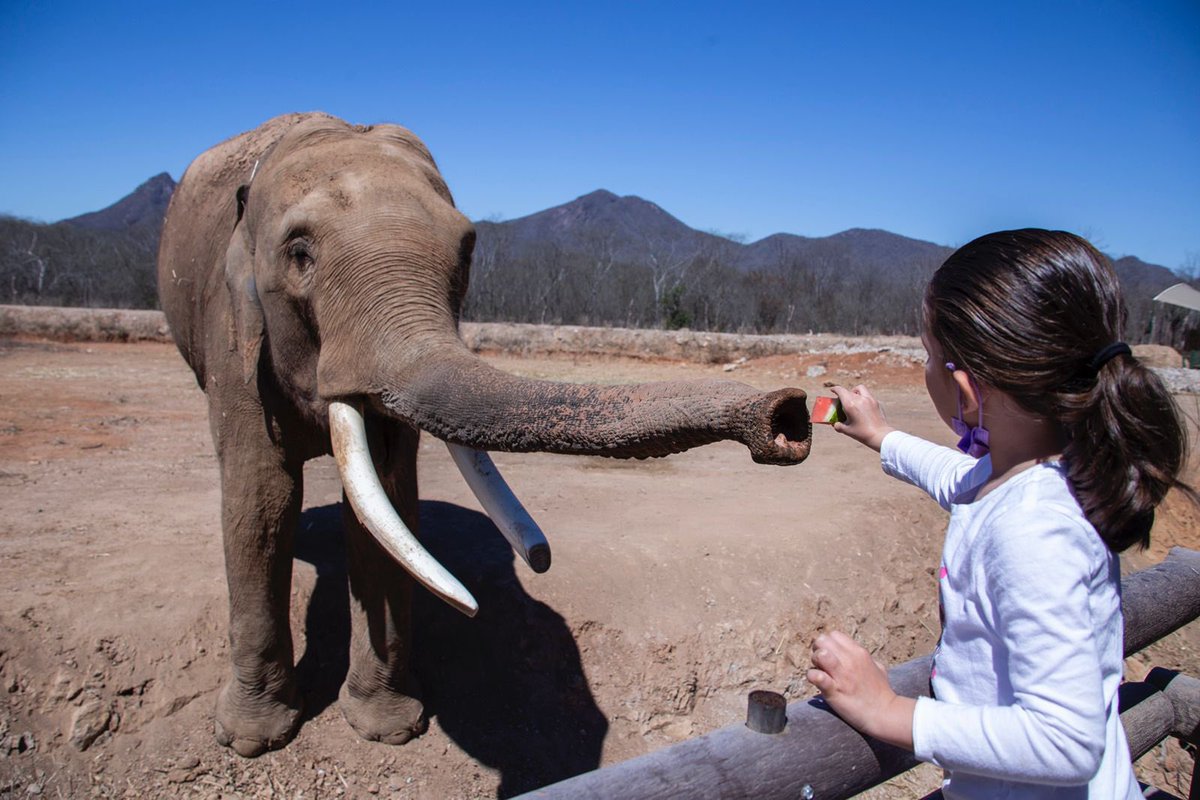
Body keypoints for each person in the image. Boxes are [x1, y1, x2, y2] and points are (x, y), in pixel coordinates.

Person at [806, 229, 1195, 797]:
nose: (927, 369)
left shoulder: (1033, 529)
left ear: (965, 389)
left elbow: (1066, 738)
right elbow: (959, 480)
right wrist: (882, 435)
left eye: (929, 357)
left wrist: (890, 711)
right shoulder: (1042, 473)